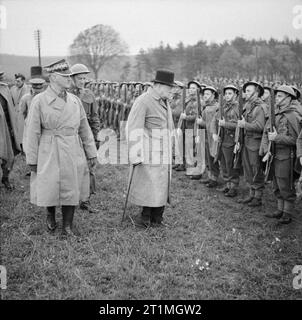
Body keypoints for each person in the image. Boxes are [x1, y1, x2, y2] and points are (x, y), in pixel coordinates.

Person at [26, 59, 98, 237]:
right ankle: (50, 215)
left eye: (69, 76)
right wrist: (32, 160)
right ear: (54, 77)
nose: (69, 79)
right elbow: (32, 132)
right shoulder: (39, 101)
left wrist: (91, 152)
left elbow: (84, 128)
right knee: (50, 184)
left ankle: (68, 225)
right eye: (65, 76)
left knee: (71, 185)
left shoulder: (74, 101)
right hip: (49, 148)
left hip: (72, 147)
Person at [126, 70, 175, 228]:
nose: (171, 91)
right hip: (149, 152)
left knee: (162, 186)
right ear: (159, 86)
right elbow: (133, 128)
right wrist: (136, 153)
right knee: (150, 185)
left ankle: (158, 217)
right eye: (169, 88)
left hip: (163, 151)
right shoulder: (143, 101)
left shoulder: (164, 100)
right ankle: (145, 217)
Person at [261, 85, 302, 224]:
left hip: (287, 156)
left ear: (288, 98)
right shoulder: (275, 114)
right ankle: (279, 209)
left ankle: (287, 212)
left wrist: (277, 138)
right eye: (276, 95)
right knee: (276, 184)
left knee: (286, 184)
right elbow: (266, 133)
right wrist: (267, 149)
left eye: (279, 96)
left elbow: (296, 139)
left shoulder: (293, 115)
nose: (277, 99)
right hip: (274, 154)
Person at [70, 63, 100, 213]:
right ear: (72, 79)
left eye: (84, 78)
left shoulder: (89, 95)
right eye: (79, 78)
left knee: (90, 167)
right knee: (73, 167)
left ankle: (86, 199)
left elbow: (94, 117)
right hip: (71, 136)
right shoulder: (66, 95)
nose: (82, 81)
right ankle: (71, 198)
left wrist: (96, 137)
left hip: (86, 136)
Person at [237, 81, 266, 207]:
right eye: (246, 91)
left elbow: (260, 126)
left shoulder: (260, 107)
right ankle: (251, 194)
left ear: (257, 92)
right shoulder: (248, 106)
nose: (246, 93)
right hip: (246, 141)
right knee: (248, 167)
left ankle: (258, 197)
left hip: (256, 142)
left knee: (256, 168)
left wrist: (245, 125)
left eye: (249, 91)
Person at [212, 85, 240, 197]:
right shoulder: (223, 107)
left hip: (232, 139)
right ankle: (227, 184)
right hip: (222, 138)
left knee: (230, 164)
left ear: (235, 95)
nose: (227, 96)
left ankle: (233, 186)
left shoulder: (238, 107)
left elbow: (239, 125)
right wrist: (215, 133)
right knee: (223, 163)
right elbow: (215, 120)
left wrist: (225, 124)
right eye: (226, 93)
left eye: (230, 93)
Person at [0, 70, 22, 189]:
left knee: (10, 155)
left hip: (8, 127)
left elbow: (11, 109)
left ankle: (5, 178)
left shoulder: (5, 89)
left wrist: (13, 128)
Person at [18, 66, 46, 156]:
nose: (38, 88)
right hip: (30, 128)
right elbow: (21, 115)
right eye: (35, 86)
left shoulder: (47, 97)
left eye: (40, 86)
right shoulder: (26, 98)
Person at [196, 86, 220, 187]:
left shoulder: (215, 107)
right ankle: (210, 176)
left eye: (208, 94)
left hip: (212, 136)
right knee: (207, 157)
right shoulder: (206, 106)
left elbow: (212, 124)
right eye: (204, 94)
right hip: (206, 135)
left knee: (212, 155)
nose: (205, 96)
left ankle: (214, 178)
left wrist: (202, 122)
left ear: (213, 95)